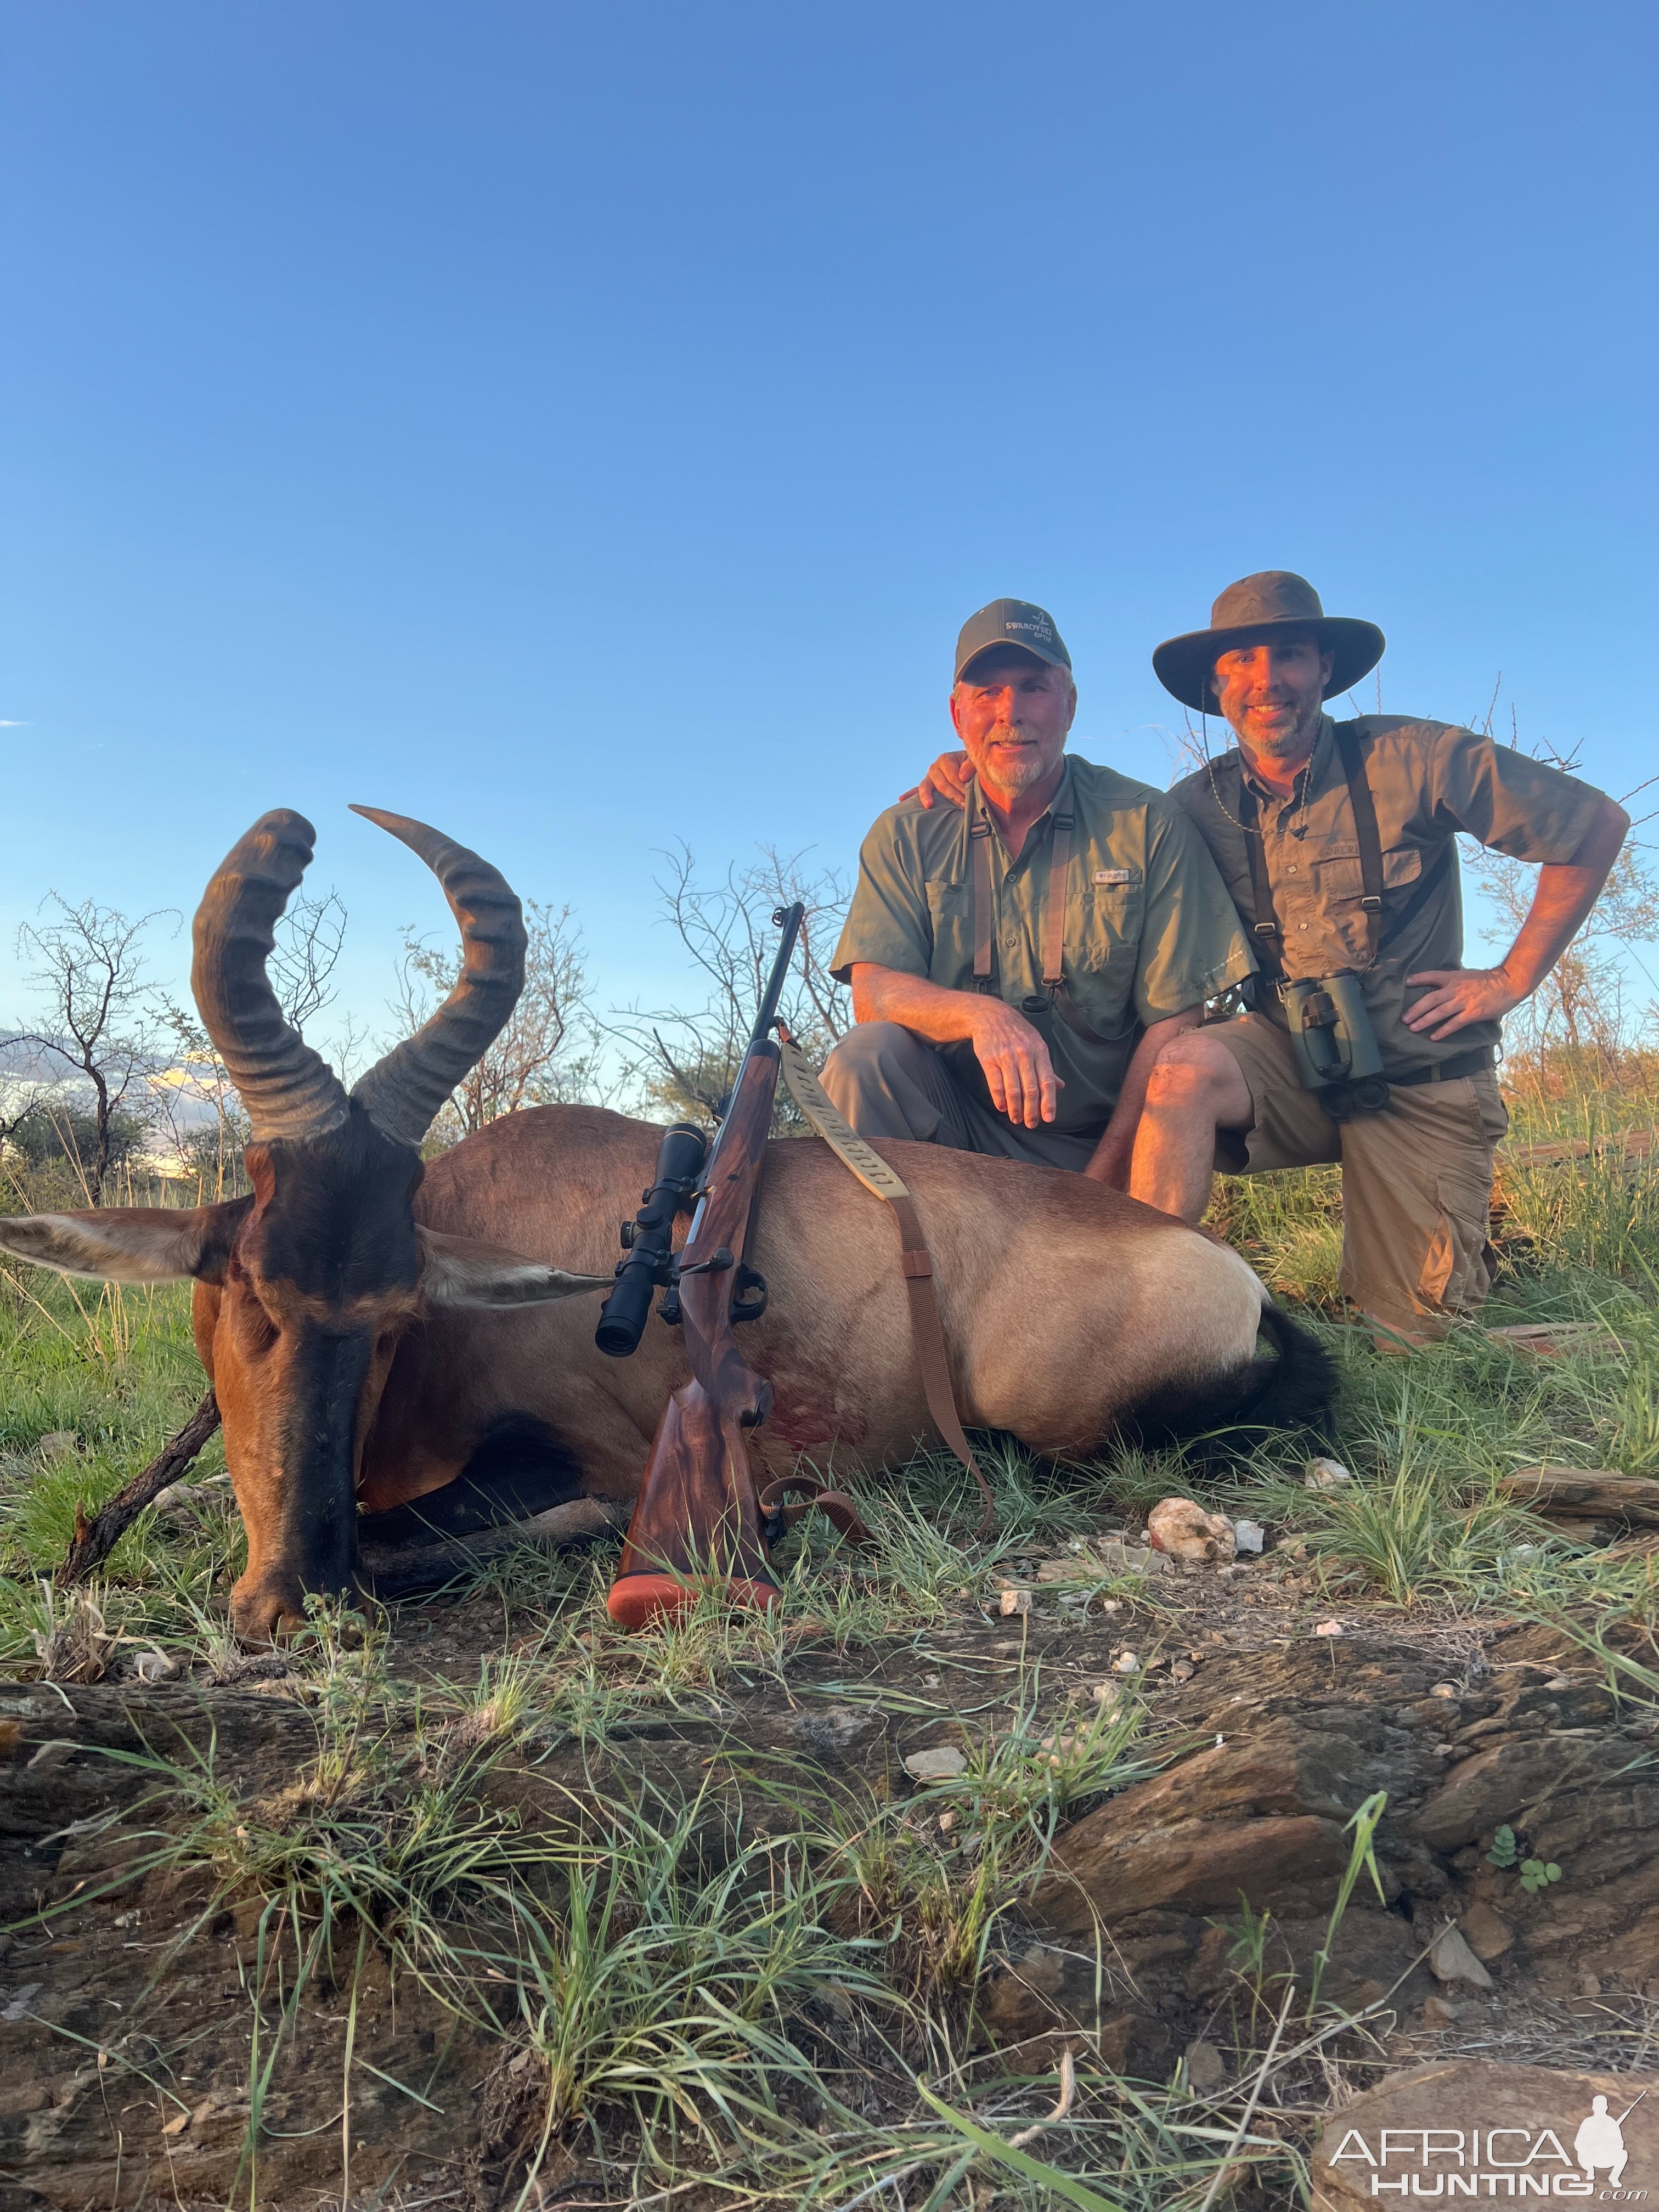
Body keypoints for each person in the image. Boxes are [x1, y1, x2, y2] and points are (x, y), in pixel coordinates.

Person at [907, 572, 1630, 1348]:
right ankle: (1134, 1317)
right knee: (1183, 1066)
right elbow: (1075, 819)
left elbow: (1593, 826)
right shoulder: (1189, 806)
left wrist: (1511, 979)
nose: (1266, 681)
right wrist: (967, 776)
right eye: (1241, 663)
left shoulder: (1417, 756)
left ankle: (1604, 1342)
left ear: (1324, 666)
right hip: (1289, 1061)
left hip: (1418, 1078)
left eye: (1287, 654)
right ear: (1217, 685)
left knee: (1415, 1346)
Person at [823, 597, 1254, 1180]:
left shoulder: (1146, 821)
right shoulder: (906, 832)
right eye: (987, 694)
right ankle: (896, 1260)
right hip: (952, 1133)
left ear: (1070, 705)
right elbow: (873, 993)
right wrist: (981, 1016)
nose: (1011, 713)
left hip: (1095, 1145)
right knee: (863, 1059)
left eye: (1033, 688)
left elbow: (1174, 1022)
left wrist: (1095, 1189)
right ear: (958, 715)